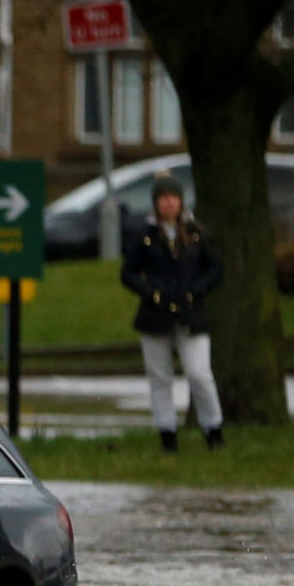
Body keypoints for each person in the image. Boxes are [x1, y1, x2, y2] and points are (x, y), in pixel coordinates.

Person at [119, 171, 224, 451]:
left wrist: (195, 291)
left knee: (199, 373)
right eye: (163, 198)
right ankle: (168, 434)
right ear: (156, 202)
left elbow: (215, 270)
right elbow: (128, 273)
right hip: (155, 316)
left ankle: (213, 429)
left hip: (192, 314)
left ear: (181, 201)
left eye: (174, 198)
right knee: (160, 378)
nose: (169, 204)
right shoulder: (145, 236)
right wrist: (150, 292)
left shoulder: (195, 233)